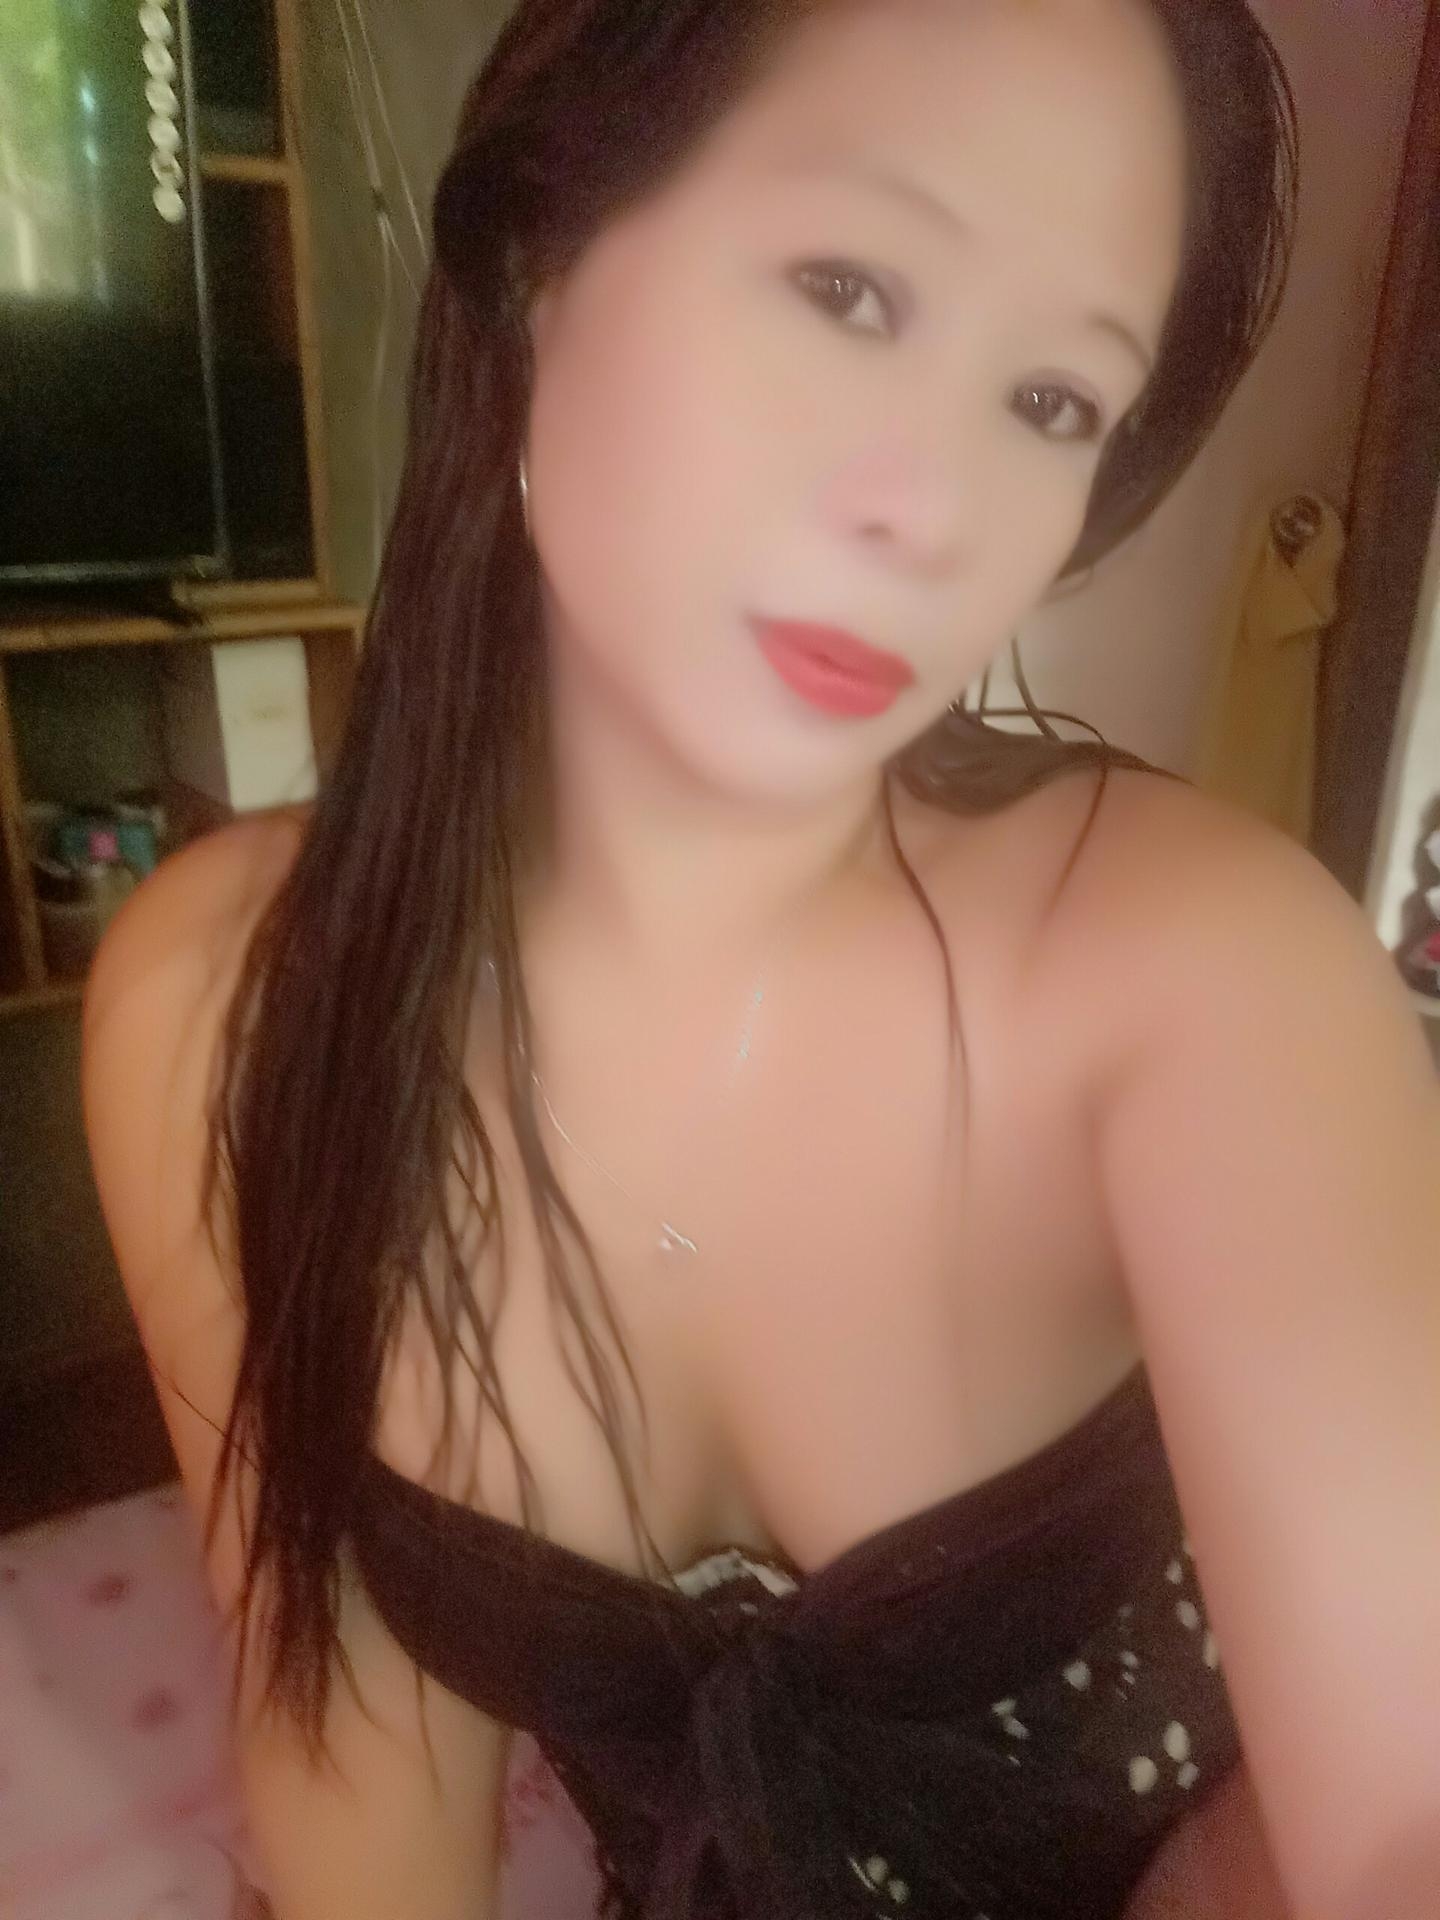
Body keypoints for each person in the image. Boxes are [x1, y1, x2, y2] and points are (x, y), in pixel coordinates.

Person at [81, 1, 1440, 1915]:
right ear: (542, 257)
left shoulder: (1209, 984)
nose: (933, 509)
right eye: (850, 290)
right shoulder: (225, 1013)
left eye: (1054, 400)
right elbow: (351, 1768)